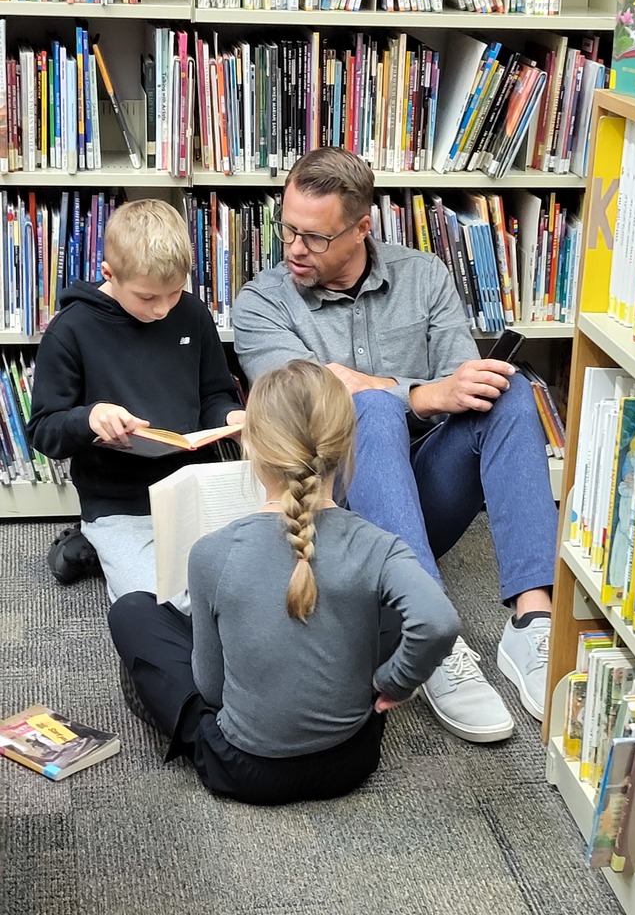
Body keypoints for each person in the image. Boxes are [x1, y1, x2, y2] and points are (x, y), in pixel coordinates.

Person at [232, 147, 559, 742]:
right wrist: (421, 395)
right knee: (369, 410)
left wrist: (427, 391)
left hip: (422, 497)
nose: (294, 249)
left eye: (314, 237)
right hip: (327, 516)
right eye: (287, 230)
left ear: (362, 227)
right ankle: (431, 631)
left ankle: (532, 620)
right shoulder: (261, 304)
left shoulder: (424, 274)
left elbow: (466, 385)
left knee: (505, 390)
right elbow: (312, 400)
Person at [108, 360, 460, 805]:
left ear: (251, 446)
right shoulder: (377, 544)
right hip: (353, 758)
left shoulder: (213, 552)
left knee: (133, 611)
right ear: (347, 442)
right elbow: (437, 621)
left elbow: (213, 690)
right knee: (385, 604)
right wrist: (395, 682)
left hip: (244, 769)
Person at [27, 198, 245, 610]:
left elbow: (214, 395)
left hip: (193, 488)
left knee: (243, 589)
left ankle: (96, 549)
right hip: (119, 500)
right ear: (109, 274)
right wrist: (89, 418)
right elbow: (44, 430)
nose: (163, 309)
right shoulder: (70, 331)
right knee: (158, 607)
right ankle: (96, 539)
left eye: (175, 292)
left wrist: (234, 416)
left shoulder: (192, 314)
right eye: (148, 297)